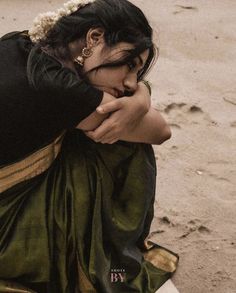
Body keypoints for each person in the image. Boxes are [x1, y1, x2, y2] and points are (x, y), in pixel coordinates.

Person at [0, 0, 178, 292]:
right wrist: (139, 103)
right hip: (5, 234)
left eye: (139, 73)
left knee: (113, 127)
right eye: (129, 64)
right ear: (94, 38)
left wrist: (141, 95)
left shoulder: (21, 43)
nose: (131, 82)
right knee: (122, 142)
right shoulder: (59, 89)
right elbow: (160, 130)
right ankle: (107, 265)